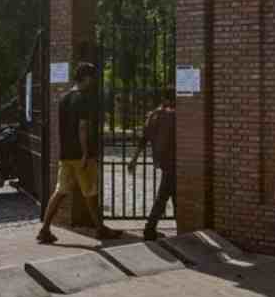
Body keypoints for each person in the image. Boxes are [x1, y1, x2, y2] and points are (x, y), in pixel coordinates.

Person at [37, 62, 123, 243]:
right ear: (86, 78)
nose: (93, 81)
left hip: (66, 155)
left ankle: (44, 229)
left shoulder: (64, 98)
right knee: (91, 192)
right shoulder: (83, 98)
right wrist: (85, 153)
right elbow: (82, 127)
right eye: (92, 78)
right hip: (81, 155)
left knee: (59, 192)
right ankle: (100, 229)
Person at [127, 86, 176, 241]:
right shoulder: (173, 115)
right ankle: (149, 229)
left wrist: (134, 159)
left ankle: (174, 227)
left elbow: (144, 139)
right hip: (174, 160)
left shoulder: (153, 114)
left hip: (162, 159)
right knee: (163, 196)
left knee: (172, 194)